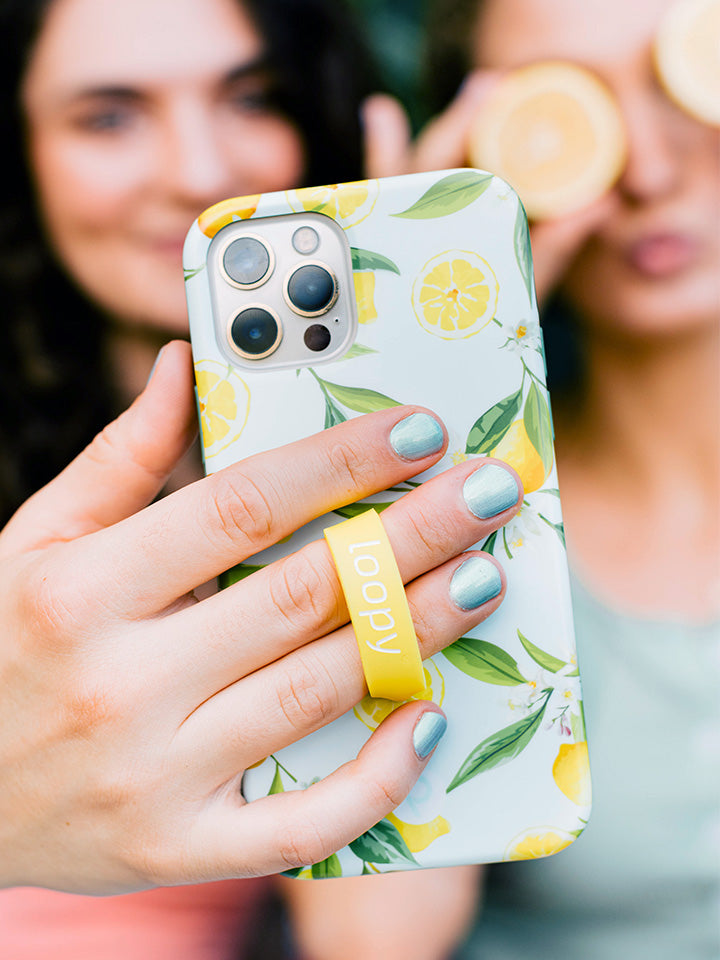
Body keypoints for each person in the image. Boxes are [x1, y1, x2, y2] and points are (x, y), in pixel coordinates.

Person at [0, 0, 525, 957]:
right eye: (108, 116)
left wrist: (419, 352)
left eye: (254, 97)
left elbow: (377, 938)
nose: (199, 174)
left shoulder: (370, 458)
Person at [279, 0, 720, 958]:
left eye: (686, 81)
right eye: (563, 114)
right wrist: (410, 361)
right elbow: (369, 945)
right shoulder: (479, 523)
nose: (647, 169)